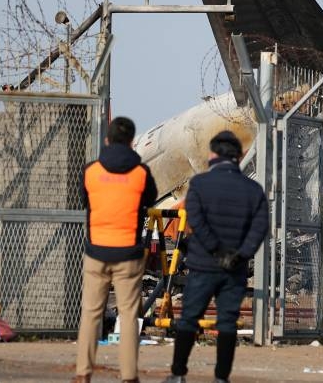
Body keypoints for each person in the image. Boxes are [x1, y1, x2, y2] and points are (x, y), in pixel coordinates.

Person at [163, 130, 267, 383]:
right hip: (235, 268)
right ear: (239, 155)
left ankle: (178, 374)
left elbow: (196, 220)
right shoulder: (253, 190)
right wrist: (239, 254)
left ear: (212, 155)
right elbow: (260, 227)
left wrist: (214, 250)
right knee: (227, 322)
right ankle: (221, 378)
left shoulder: (199, 185)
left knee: (189, 318)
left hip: (203, 265)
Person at [76, 116, 157, 383]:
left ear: (107, 140)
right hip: (128, 254)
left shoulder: (90, 171)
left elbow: (84, 200)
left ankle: (83, 373)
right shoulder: (141, 173)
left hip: (97, 250)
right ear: (132, 142)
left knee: (90, 312)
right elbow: (150, 199)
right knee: (129, 314)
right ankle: (129, 376)